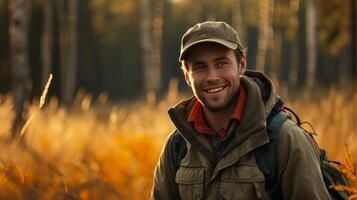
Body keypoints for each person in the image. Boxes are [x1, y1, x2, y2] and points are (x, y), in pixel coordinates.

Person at [151, 21, 330, 200]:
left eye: (221, 64)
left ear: (241, 65)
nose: (212, 77)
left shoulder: (285, 139)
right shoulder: (177, 146)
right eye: (200, 67)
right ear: (187, 77)